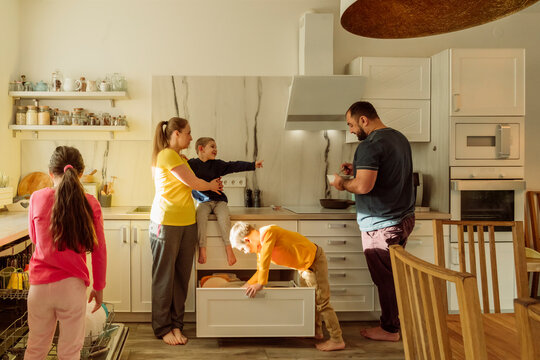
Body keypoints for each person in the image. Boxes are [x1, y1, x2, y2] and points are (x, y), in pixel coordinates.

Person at [330, 101, 415, 342]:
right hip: (403, 217)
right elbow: (386, 172)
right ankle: (395, 325)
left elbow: (363, 186)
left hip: (381, 224)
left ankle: (390, 329)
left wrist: (341, 183)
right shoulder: (398, 138)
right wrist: (357, 168)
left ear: (364, 120)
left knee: (385, 278)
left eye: (351, 124)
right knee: (393, 276)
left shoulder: (370, 145)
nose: (351, 130)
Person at [24, 146, 107, 360]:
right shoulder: (91, 203)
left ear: (51, 173)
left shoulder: (36, 198)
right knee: (70, 352)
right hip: (72, 287)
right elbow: (99, 251)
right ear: (80, 174)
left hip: (39, 287)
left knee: (35, 348)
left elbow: (34, 239)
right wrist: (99, 287)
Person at [150, 117, 223, 346]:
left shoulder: (180, 157)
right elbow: (193, 182)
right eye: (188, 133)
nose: (191, 137)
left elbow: (190, 184)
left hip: (186, 222)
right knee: (165, 278)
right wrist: (211, 185)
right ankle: (163, 327)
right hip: (167, 222)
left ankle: (176, 325)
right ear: (176, 134)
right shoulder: (167, 155)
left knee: (181, 278)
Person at [229, 222, 346, 351]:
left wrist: (261, 284)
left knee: (322, 302)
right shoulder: (260, 248)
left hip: (314, 263)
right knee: (310, 300)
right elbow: (260, 270)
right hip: (304, 267)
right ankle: (316, 332)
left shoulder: (268, 232)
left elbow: (265, 264)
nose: (245, 252)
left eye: (243, 249)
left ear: (247, 240)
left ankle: (337, 339)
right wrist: (244, 287)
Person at [188, 137, 263, 266]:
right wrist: (181, 158)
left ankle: (229, 249)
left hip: (219, 201)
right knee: (200, 218)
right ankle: (202, 249)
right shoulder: (192, 165)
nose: (215, 149)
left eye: (216, 147)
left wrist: (252, 165)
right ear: (201, 148)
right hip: (203, 202)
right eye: (212, 146)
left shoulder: (217, 164)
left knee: (224, 219)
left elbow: (233, 165)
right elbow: (180, 169)